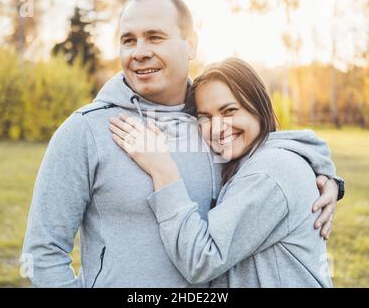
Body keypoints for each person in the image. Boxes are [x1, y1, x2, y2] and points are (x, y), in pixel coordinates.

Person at [22, 0, 342, 288]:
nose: (140, 52)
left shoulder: (214, 124)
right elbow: (44, 252)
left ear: (191, 44)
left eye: (155, 37)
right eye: (128, 41)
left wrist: (326, 180)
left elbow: (275, 156)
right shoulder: (85, 131)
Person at [109, 57, 336, 287]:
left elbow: (200, 260)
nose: (217, 128)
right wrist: (331, 178)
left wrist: (163, 170)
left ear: (259, 106)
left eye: (229, 111)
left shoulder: (268, 173)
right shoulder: (254, 159)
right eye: (205, 117)